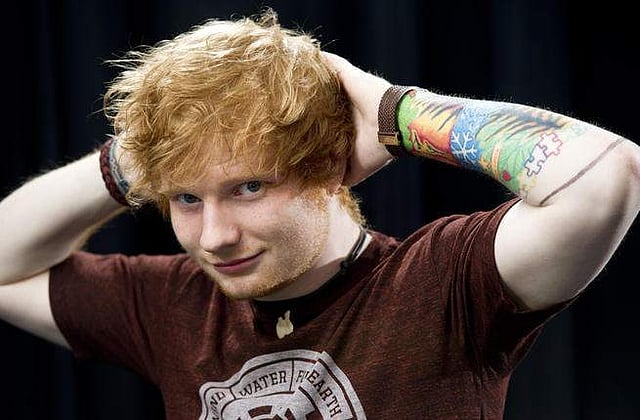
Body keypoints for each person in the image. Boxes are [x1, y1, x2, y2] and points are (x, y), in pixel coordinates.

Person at [1, 9, 639, 419]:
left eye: (249, 187)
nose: (214, 238)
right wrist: (138, 157)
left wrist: (397, 115)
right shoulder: (174, 304)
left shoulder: (442, 283)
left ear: (329, 167)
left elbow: (609, 174)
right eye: (186, 198)